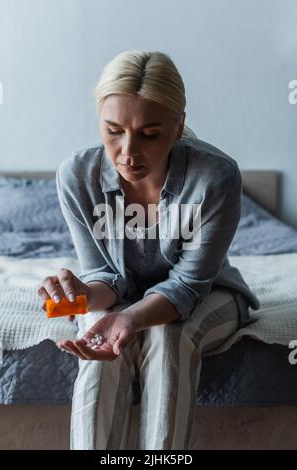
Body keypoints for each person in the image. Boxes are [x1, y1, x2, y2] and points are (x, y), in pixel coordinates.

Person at [37, 50, 260, 450]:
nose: (128, 152)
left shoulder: (216, 177)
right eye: (113, 131)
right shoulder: (77, 176)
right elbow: (107, 277)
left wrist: (132, 319)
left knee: (168, 335)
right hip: (122, 295)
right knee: (95, 333)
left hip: (210, 293)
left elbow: (189, 286)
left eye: (149, 133)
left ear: (179, 127)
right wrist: (83, 296)